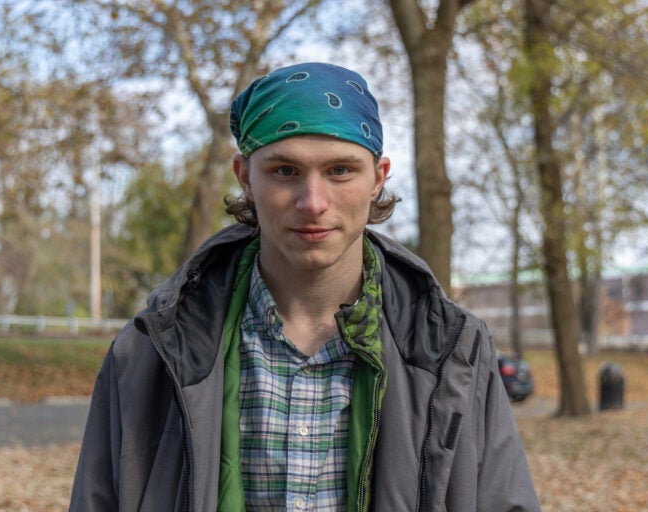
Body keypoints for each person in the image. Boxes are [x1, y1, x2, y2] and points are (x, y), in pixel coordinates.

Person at [69, 62, 540, 511]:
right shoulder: (149, 351)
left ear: (378, 178)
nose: (313, 202)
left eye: (340, 171)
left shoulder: (455, 349)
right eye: (285, 171)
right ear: (245, 177)